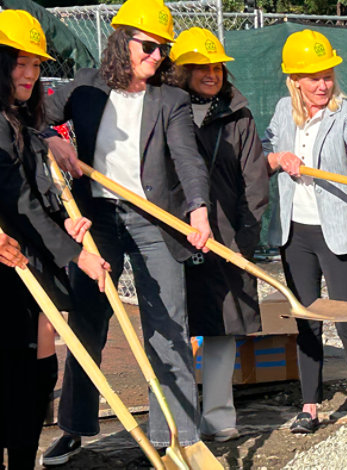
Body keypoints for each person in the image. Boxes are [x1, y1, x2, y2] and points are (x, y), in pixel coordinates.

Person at [40, 0, 212, 464]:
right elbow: (34, 116)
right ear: (123, 42)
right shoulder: (85, 87)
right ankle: (74, 428)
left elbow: (189, 161)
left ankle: (177, 436)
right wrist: (53, 136)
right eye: (149, 47)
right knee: (88, 324)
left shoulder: (170, 99)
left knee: (168, 327)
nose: (157, 57)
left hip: (155, 220)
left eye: (164, 50)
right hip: (97, 218)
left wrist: (198, 210)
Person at [0, 10, 109, 469]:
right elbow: (16, 198)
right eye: (19, 63)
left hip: (28, 259)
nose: (29, 74)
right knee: (14, 373)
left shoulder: (21, 119)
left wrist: (65, 226)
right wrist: (77, 255)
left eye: (36, 64)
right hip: (8, 262)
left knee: (39, 364)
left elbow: (31, 197)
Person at [263, 29, 347, 434]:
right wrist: (278, 158)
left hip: (337, 232)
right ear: (294, 80)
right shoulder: (283, 111)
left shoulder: (346, 112)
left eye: (327, 75)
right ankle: (310, 407)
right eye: (312, 77)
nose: (322, 84)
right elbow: (263, 153)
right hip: (295, 232)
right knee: (307, 321)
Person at [170, 27, 269, 442]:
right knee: (173, 325)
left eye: (217, 67)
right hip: (174, 233)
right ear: (184, 71)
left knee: (222, 327)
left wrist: (244, 240)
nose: (211, 74)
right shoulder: (165, 109)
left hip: (226, 237)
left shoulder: (238, 115)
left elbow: (255, 181)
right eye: (202, 68)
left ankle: (218, 415)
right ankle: (176, 419)